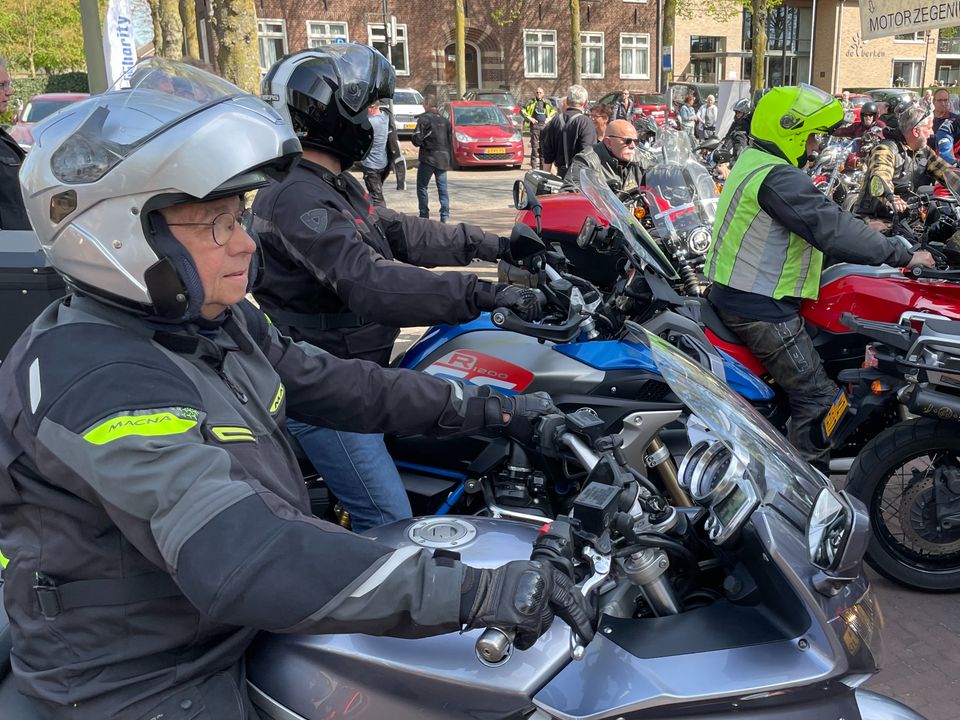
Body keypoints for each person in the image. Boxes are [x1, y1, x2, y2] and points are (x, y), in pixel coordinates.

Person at [0, 58, 586, 719]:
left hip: (221, 636)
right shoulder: (98, 377)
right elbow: (242, 556)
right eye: (215, 225)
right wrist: (476, 594)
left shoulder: (212, 324)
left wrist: (500, 410)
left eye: (239, 217)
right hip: (144, 684)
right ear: (121, 235)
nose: (245, 244)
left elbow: (335, 383)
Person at [253, 44, 546, 533]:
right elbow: (370, 281)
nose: (377, 118)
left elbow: (398, 232)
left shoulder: (331, 184)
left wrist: (498, 245)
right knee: (389, 517)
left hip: (360, 372)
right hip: (328, 391)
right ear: (328, 112)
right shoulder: (295, 196)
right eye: (369, 107)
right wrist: (483, 295)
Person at [703, 85, 934, 468]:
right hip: (758, 305)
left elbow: (820, 221)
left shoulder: (755, 161)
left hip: (742, 292)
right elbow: (829, 228)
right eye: (812, 137)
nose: (815, 146)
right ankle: (805, 492)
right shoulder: (778, 178)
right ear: (790, 130)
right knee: (819, 398)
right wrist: (903, 254)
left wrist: (867, 231)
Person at [856, 104, 951, 217]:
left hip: (902, 218)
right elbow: (881, 175)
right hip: (874, 217)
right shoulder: (885, 149)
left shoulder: (924, 151)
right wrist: (891, 198)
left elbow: (947, 174)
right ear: (916, 131)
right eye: (929, 128)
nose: (932, 133)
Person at [567, 118, 650, 192]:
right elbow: (570, 192)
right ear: (608, 142)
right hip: (602, 209)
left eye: (636, 141)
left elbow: (653, 171)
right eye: (627, 141)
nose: (633, 146)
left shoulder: (637, 157)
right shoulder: (587, 161)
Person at [412, 93, 451, 221]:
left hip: (428, 158)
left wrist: (417, 139)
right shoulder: (445, 121)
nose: (423, 105)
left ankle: (424, 215)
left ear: (428, 104)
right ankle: (445, 216)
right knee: (443, 188)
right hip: (443, 159)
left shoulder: (424, 120)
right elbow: (450, 140)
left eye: (424, 103)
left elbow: (417, 140)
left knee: (422, 186)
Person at [0, 54, 28, 230]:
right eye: (2, 85)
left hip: (22, 250)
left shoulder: (4, 137)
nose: (9, 92)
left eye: (7, 85)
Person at [543, 85, 594, 178]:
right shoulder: (586, 122)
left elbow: (547, 153)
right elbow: (588, 153)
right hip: (581, 177)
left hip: (561, 175)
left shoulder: (555, 121)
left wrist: (545, 178)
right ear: (585, 103)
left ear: (567, 101)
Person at [358, 102, 393, 206]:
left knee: (376, 198)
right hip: (383, 163)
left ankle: (382, 218)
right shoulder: (385, 117)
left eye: (367, 108)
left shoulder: (370, 122)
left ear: (372, 108)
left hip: (371, 166)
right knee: (376, 193)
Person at [520, 86, 556, 170]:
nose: (538, 94)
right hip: (535, 127)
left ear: (543, 94)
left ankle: (542, 168)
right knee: (535, 148)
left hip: (544, 127)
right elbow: (522, 110)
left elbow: (554, 111)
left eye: (540, 92)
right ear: (535, 93)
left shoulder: (547, 102)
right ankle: (533, 167)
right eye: (537, 92)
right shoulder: (531, 102)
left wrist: (548, 119)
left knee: (543, 148)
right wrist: (530, 118)